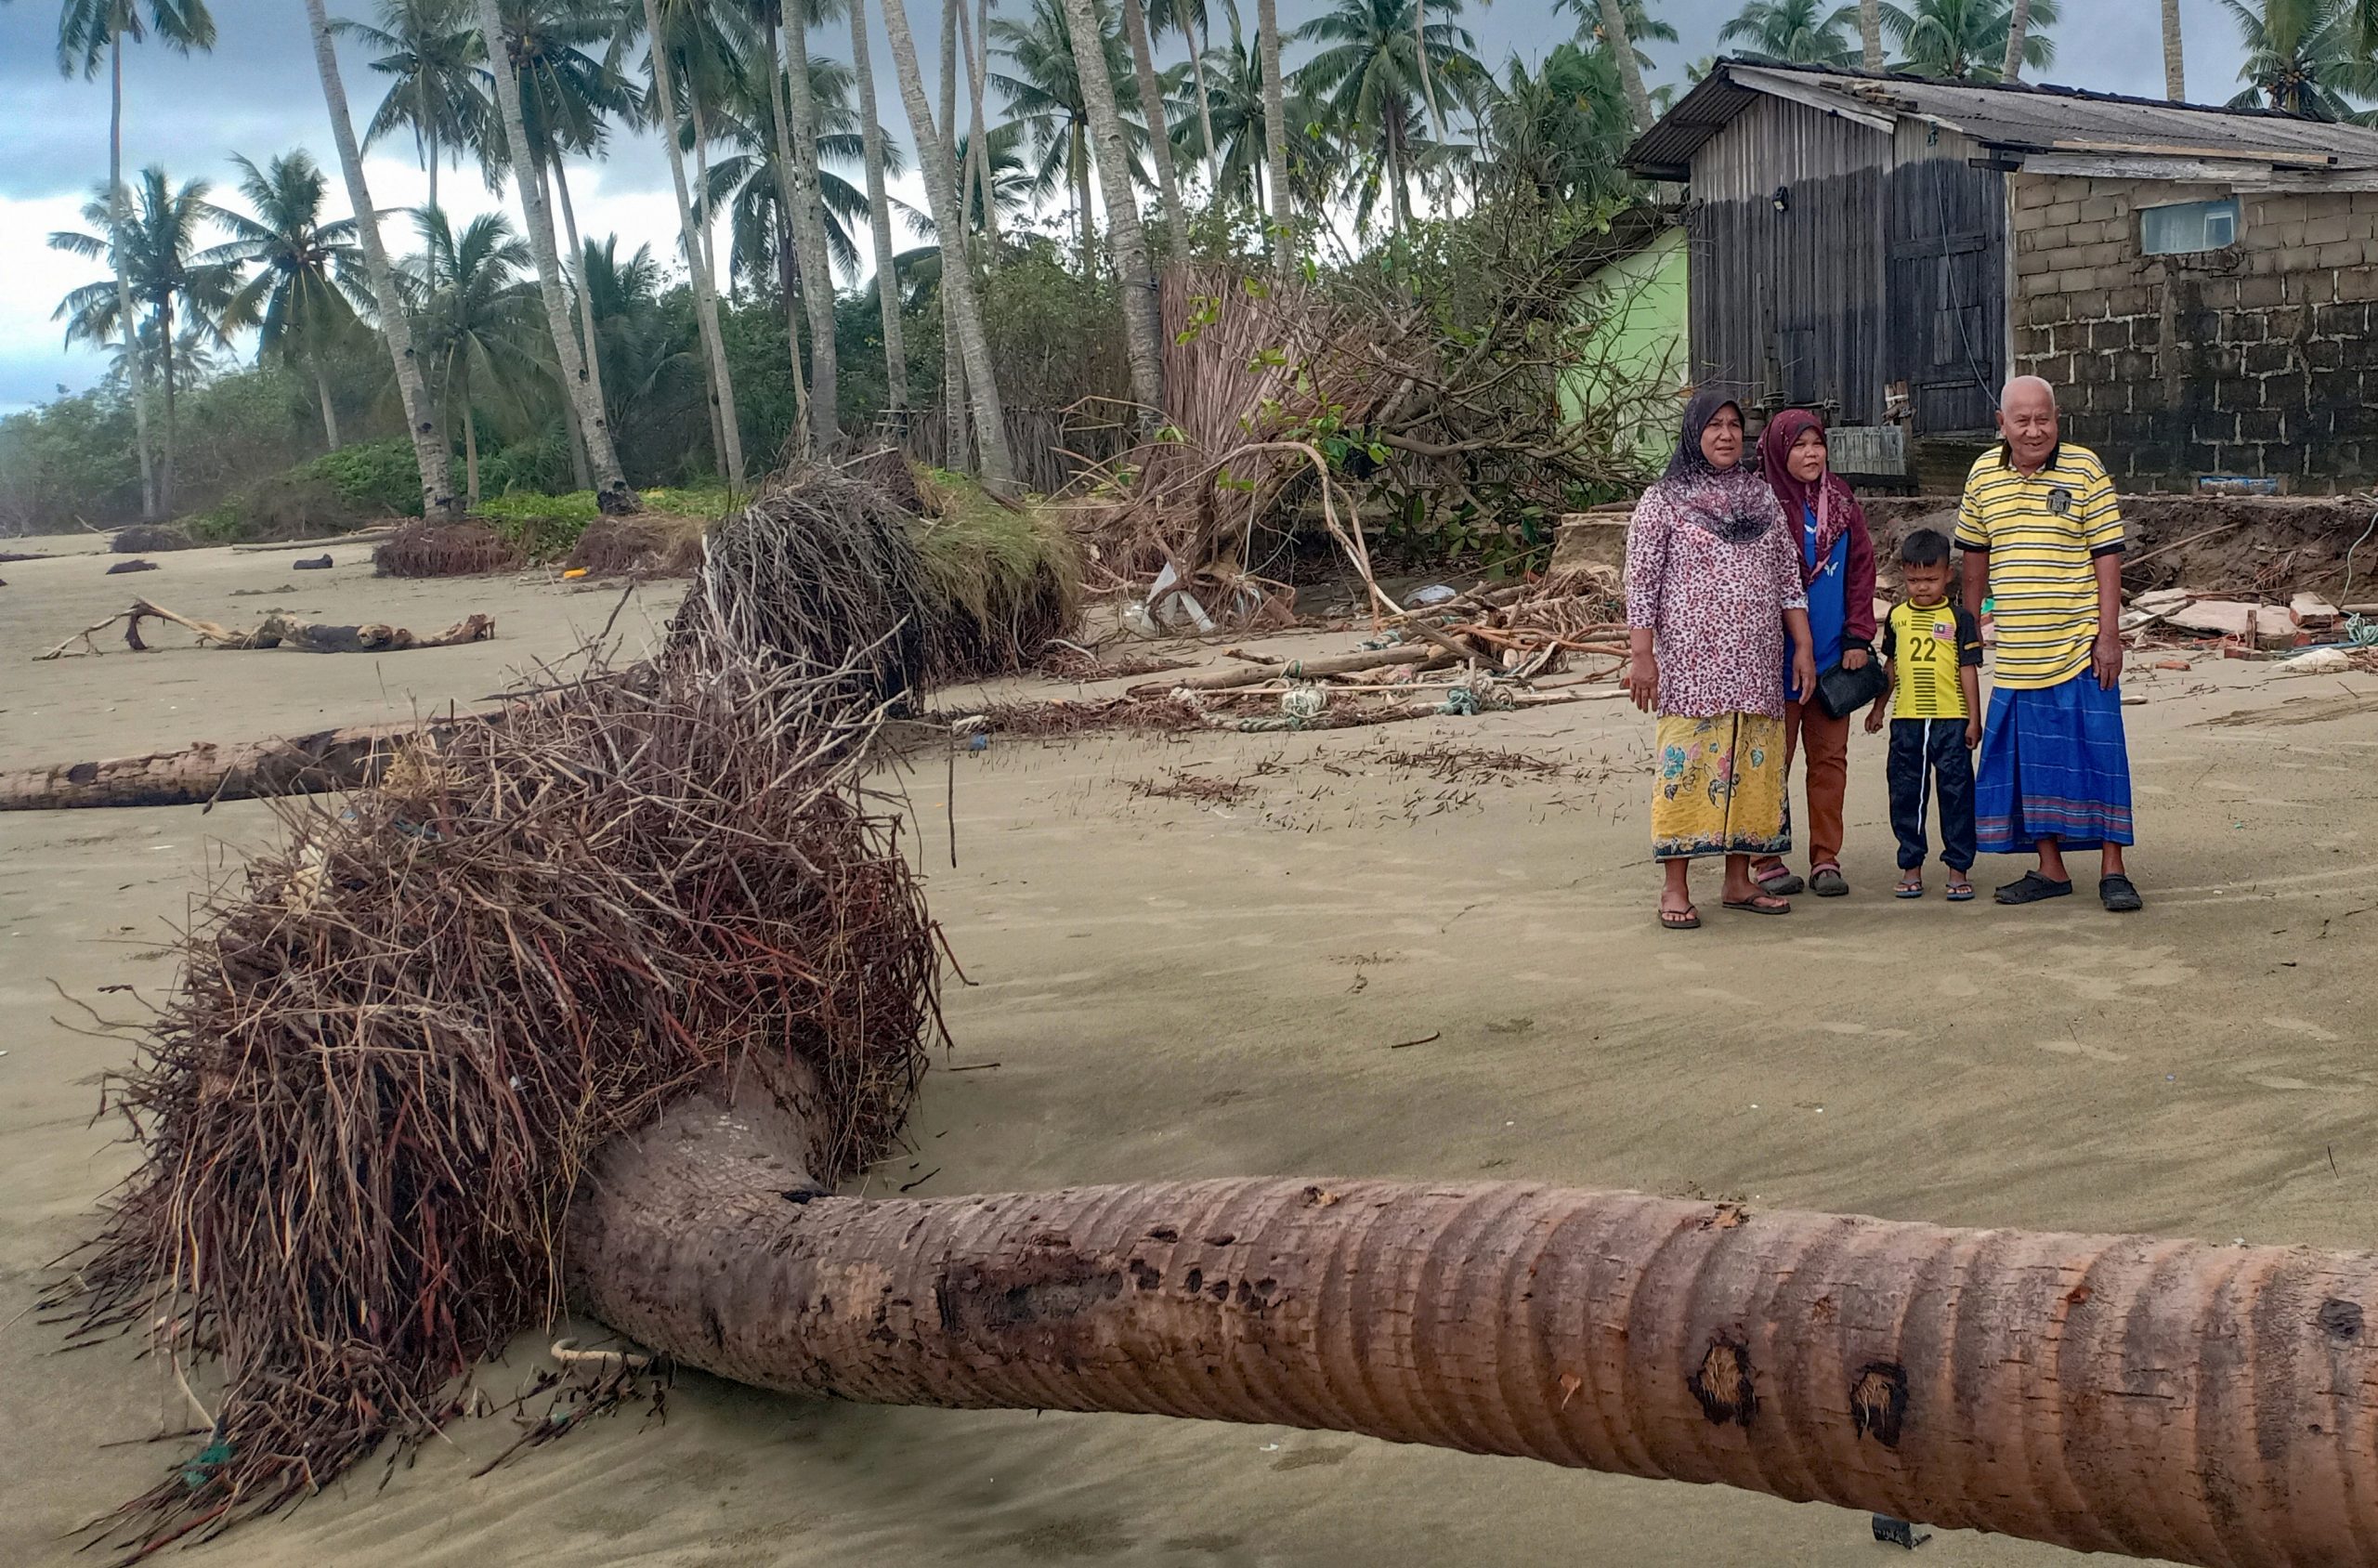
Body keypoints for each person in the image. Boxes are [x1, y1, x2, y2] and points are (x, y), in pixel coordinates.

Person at [1627, 392, 1818, 930]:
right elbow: (1640, 585)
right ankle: (1675, 887)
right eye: (1715, 425)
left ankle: (1738, 881)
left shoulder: (1761, 497)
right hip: (1692, 666)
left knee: (1752, 772)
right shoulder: (1663, 500)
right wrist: (1643, 657)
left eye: (1735, 424)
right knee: (1686, 770)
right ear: (1694, 433)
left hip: (1757, 663)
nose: (1727, 435)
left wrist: (1802, 647)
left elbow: (1788, 580)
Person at [1954, 376, 2142, 912]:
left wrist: (2109, 636)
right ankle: (2050, 868)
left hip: (2081, 648)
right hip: (2017, 654)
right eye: (2023, 421)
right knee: (2030, 764)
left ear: (2057, 419)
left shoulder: (2085, 469)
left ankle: (2113, 869)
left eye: (2045, 419)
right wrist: (1970, 635)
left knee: (2100, 759)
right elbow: (1973, 561)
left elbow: (2108, 558)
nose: (2035, 431)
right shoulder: (1982, 476)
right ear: (2002, 425)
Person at [1745, 410, 1876, 900]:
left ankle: (1826, 858)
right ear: (1779, 451)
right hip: (1772, 662)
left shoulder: (1842, 501)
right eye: (1798, 446)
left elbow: (1862, 570)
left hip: (1831, 660)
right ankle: (1766, 856)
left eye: (1816, 444)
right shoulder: (1758, 505)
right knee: (1770, 762)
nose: (1810, 454)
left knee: (1829, 762)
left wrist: (1859, 637)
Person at [1866, 529, 1984, 900]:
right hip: (1908, 721)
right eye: (1914, 580)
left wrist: (1974, 719)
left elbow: (1968, 670)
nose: (1922, 587)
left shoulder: (1960, 618)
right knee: (1906, 794)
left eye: (1930, 579)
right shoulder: (1897, 618)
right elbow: (1892, 666)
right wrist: (1879, 708)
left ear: (1947, 575)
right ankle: (1911, 865)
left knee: (1956, 794)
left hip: (1951, 720)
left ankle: (1958, 867)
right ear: (1903, 574)